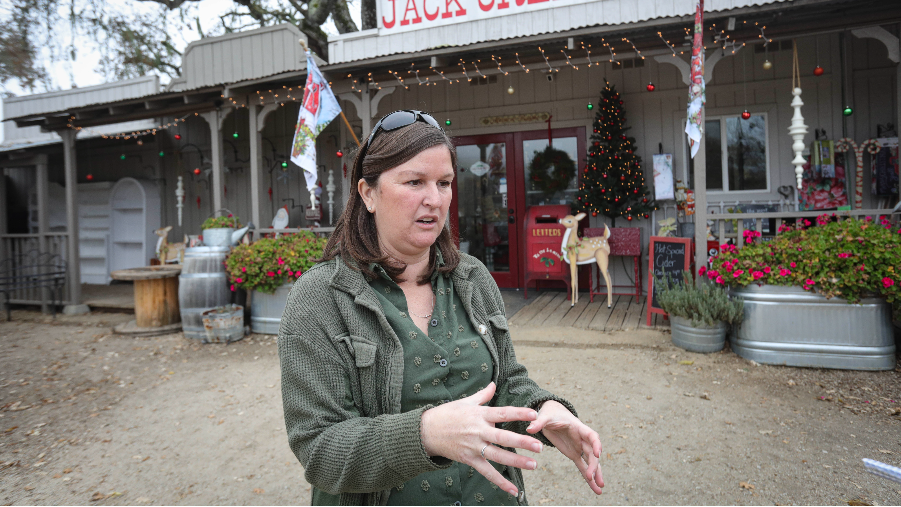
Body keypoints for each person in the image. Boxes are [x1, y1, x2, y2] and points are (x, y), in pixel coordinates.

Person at [278, 110, 604, 505]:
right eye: (415, 182)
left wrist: (544, 408)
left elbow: (506, 380)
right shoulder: (320, 299)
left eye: (444, 183)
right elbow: (320, 449)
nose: (434, 199)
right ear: (368, 194)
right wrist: (426, 433)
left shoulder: (473, 279)